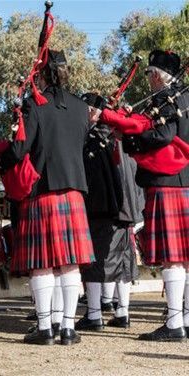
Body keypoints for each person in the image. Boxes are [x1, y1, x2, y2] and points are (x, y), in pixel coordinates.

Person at [0, 50, 95, 346]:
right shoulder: (80, 107)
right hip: (74, 190)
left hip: (42, 190)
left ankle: (45, 328)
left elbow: (20, 148)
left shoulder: (33, 106)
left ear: (42, 73)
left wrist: (3, 162)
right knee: (69, 263)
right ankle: (68, 328)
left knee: (42, 264)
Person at [116, 50, 189, 341]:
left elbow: (164, 135)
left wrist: (129, 139)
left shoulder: (164, 99)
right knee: (185, 258)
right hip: (187, 181)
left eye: (148, 74)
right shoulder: (186, 97)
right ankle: (184, 317)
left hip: (166, 180)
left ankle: (174, 324)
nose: (147, 79)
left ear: (157, 74)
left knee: (173, 258)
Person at [76, 92, 144, 331]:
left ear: (94, 112)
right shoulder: (121, 136)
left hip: (103, 210)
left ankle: (94, 315)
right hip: (128, 210)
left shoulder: (93, 139)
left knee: (96, 261)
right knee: (123, 262)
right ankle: (122, 313)